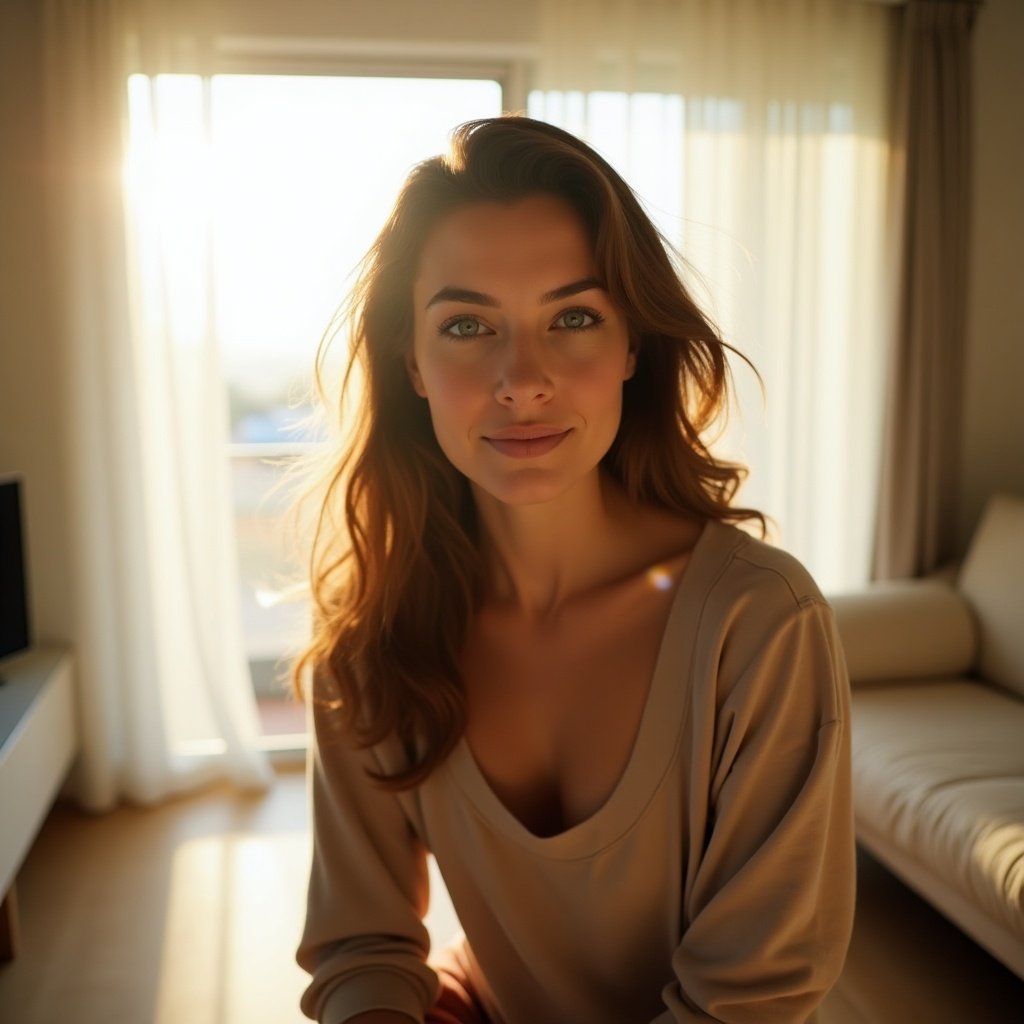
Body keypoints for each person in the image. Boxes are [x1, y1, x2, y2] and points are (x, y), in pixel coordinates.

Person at [293, 115, 855, 1024]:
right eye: (468, 323)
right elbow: (361, 948)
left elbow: (748, 1001)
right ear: (415, 362)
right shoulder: (372, 646)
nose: (523, 377)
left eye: (575, 317)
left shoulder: (761, 622)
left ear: (635, 344)